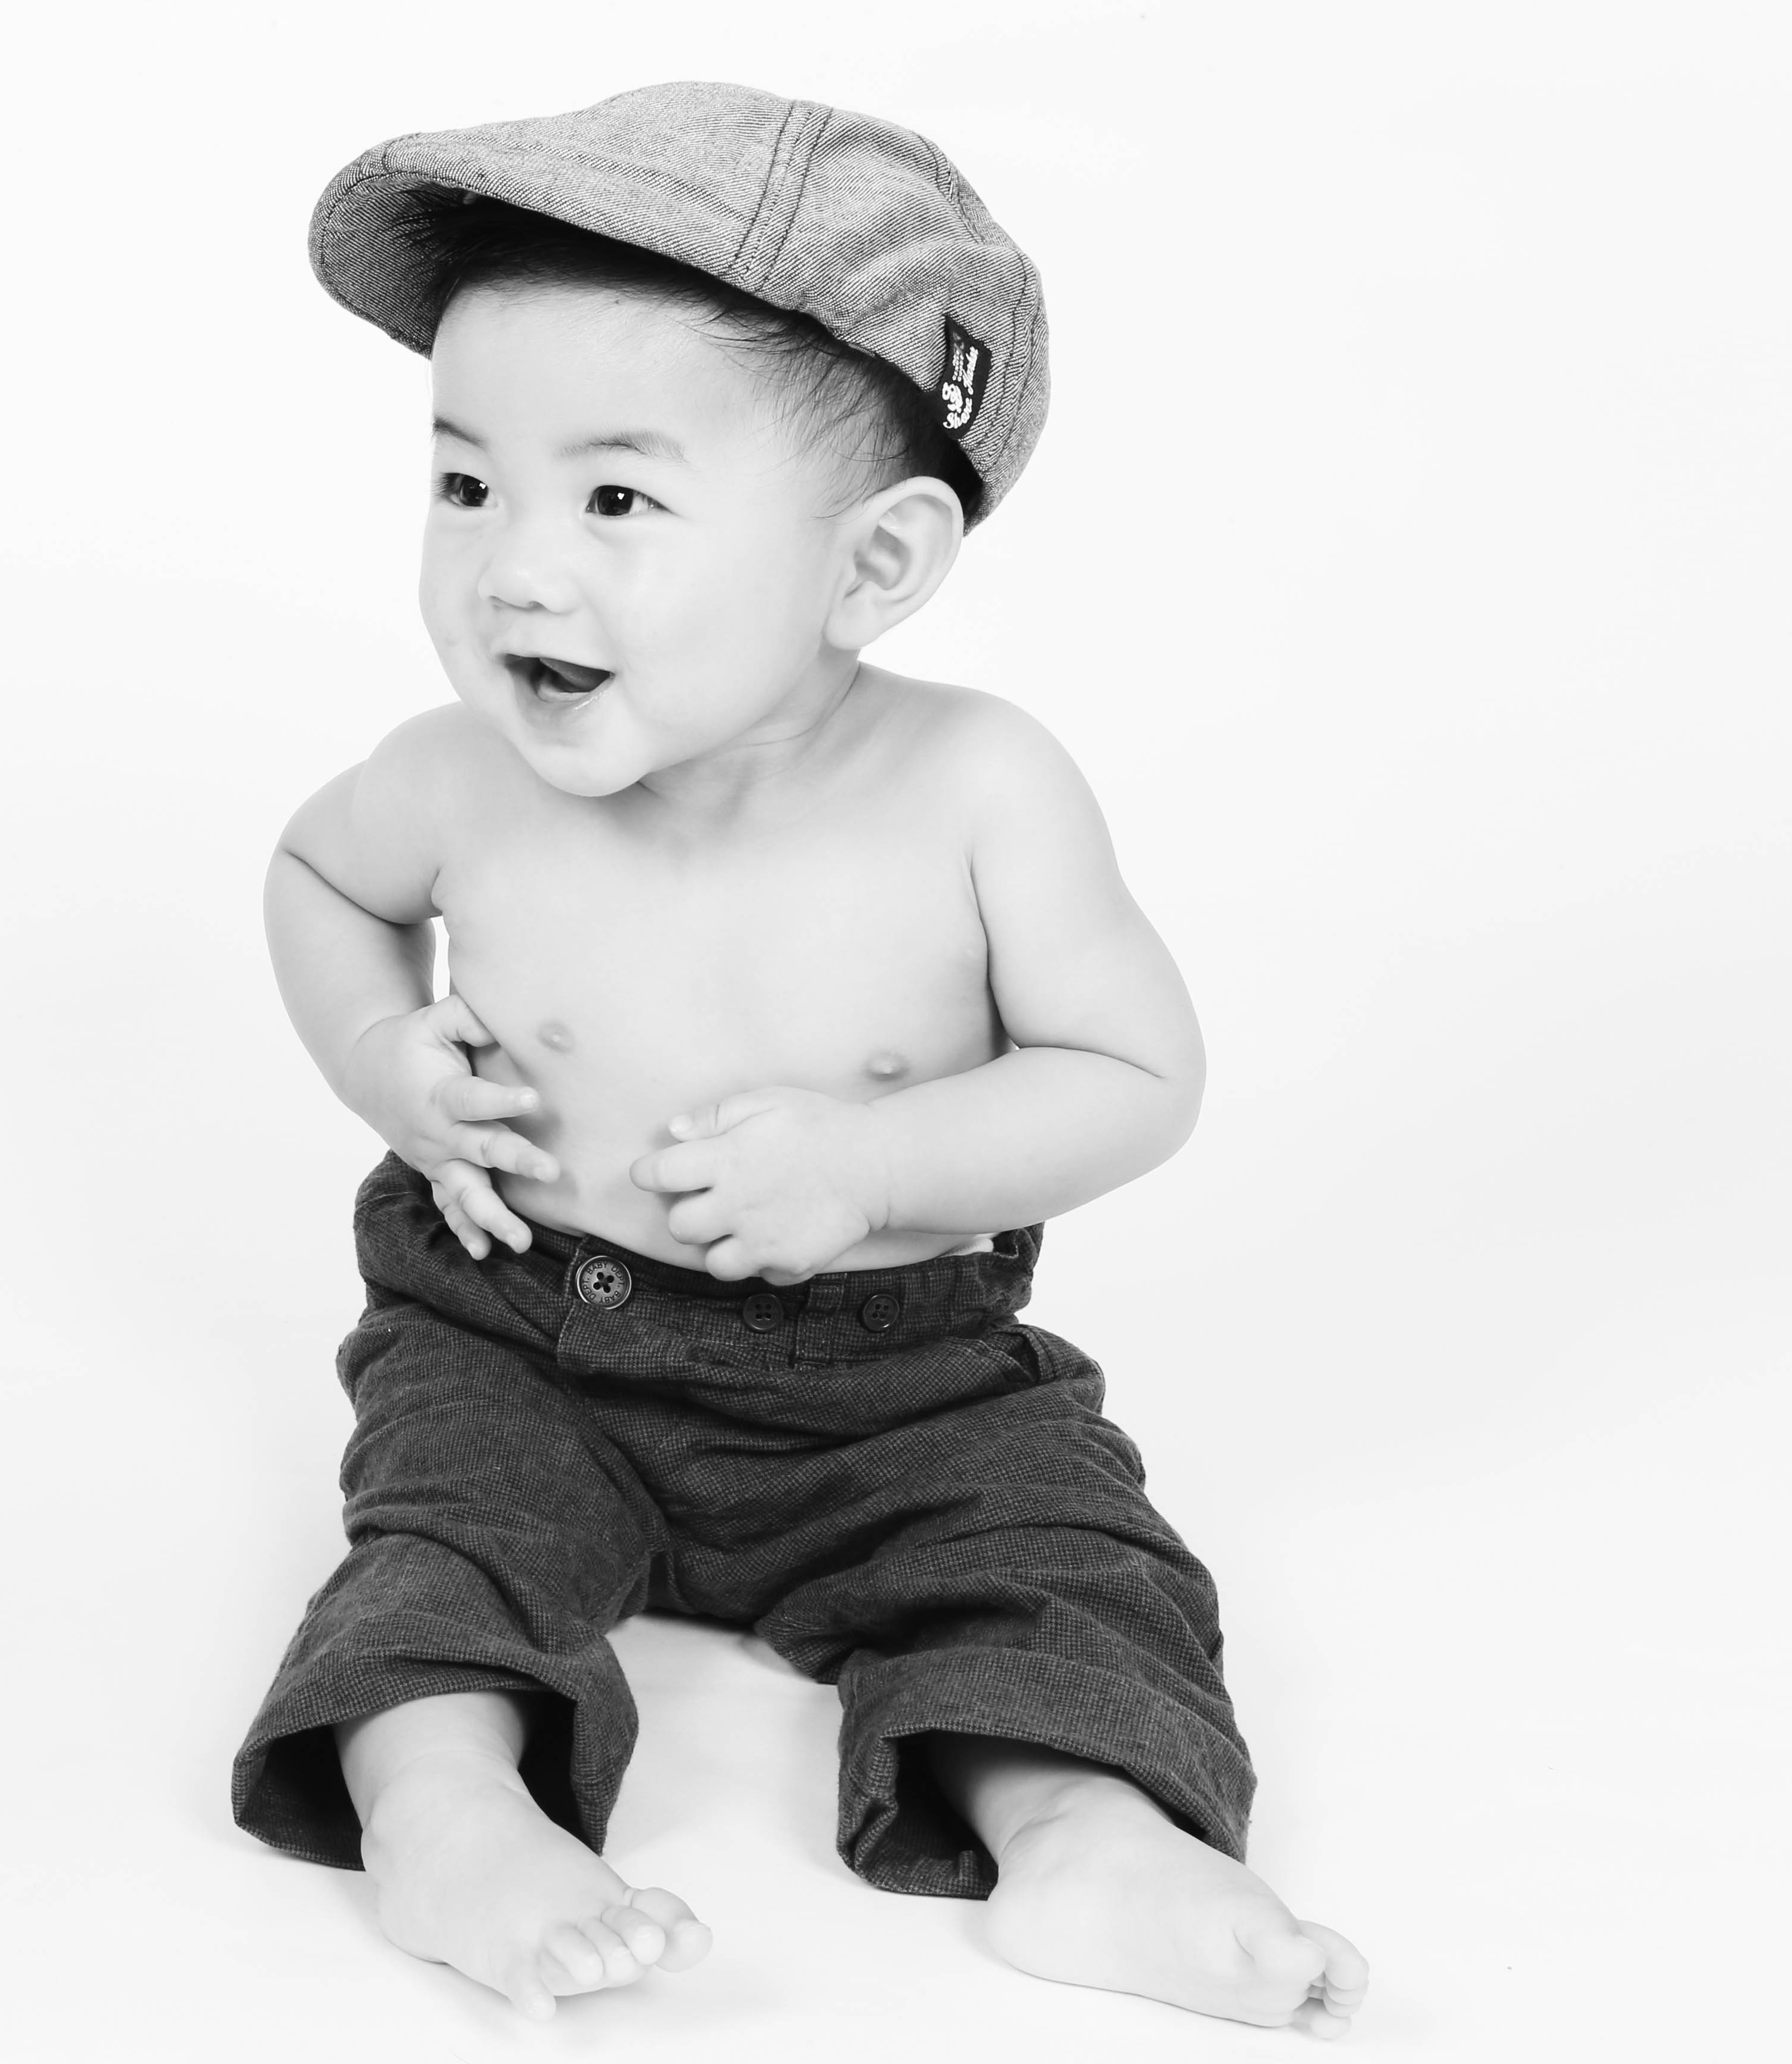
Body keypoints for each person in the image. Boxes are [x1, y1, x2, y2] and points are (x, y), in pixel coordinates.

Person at [229, 83, 1368, 2037]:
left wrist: (874, 1166)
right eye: (466, 484)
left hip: (896, 1385)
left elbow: (1134, 1073)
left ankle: (1082, 1831)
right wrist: (382, 1057)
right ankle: (447, 1810)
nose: (513, 568)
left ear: (873, 566)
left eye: (616, 500)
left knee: (1059, 1567)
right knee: (441, 1553)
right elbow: (319, 880)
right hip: (521, 1338)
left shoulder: (979, 788)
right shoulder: (454, 779)